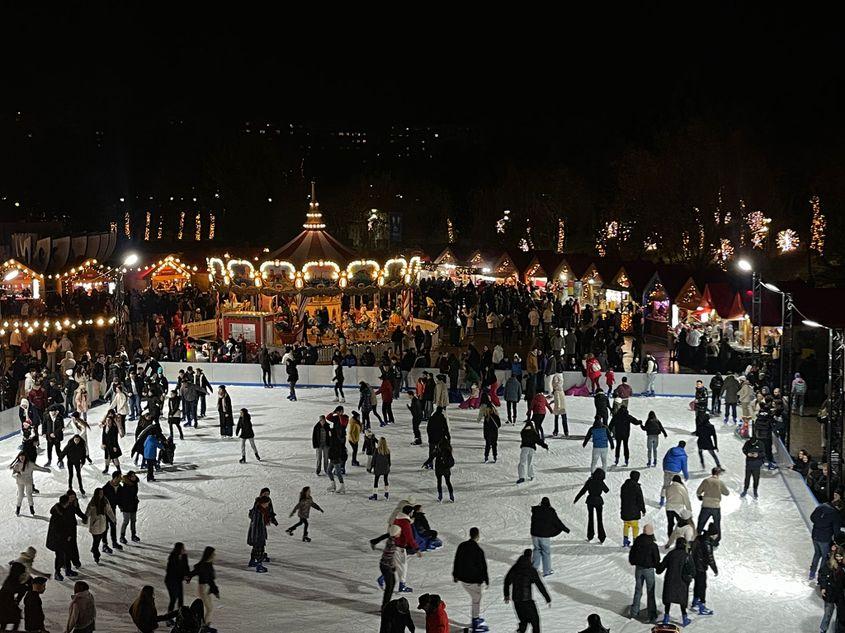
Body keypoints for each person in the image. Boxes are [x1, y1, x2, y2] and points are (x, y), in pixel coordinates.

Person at [503, 549, 551, 633]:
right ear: (530, 557)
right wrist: (547, 598)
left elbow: (507, 581)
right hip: (527, 601)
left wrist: (506, 595)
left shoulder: (515, 568)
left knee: (523, 622)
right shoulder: (531, 570)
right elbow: (539, 585)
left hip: (517, 601)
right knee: (535, 622)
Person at [452, 526, 489, 632]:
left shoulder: (462, 546)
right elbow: (483, 567)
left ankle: (475, 618)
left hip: (463, 579)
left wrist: (455, 575)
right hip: (473, 580)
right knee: (477, 599)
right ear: (477, 536)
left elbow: (457, 560)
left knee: (475, 598)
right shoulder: (478, 550)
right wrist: (485, 580)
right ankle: (475, 621)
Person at [656, 538, 696, 627]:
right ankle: (685, 619)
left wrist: (657, 567)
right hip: (682, 582)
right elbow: (693, 571)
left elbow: (661, 567)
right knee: (682, 600)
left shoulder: (671, 554)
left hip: (670, 581)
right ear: (685, 545)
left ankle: (666, 618)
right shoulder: (687, 556)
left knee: (668, 599)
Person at [530, 497, 570, 576]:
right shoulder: (550, 511)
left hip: (534, 534)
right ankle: (547, 571)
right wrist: (566, 529)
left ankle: (533, 569)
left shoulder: (536, 510)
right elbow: (557, 522)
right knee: (545, 552)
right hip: (544, 535)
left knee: (537, 550)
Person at [628, 523, 660, 622]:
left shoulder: (637, 540)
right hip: (649, 570)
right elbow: (657, 559)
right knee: (650, 591)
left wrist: (633, 562)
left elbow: (632, 553)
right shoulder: (652, 544)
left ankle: (634, 611)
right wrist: (656, 566)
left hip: (638, 569)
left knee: (638, 590)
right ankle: (652, 614)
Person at [810, 496, 842, 581]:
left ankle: (812, 573)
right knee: (825, 556)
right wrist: (837, 538)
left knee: (817, 553)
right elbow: (836, 530)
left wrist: (819, 524)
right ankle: (820, 576)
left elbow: (812, 517)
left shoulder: (821, 506)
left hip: (815, 535)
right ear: (838, 507)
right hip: (824, 538)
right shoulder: (835, 514)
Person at [47, 495, 78, 581]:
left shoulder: (64, 510)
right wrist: (66, 537)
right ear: (66, 502)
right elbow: (57, 529)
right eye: (69, 501)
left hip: (65, 538)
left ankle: (68, 570)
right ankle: (57, 572)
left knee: (67, 554)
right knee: (60, 556)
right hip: (58, 540)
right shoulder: (57, 514)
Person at [574, 468, 609, 543]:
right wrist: (602, 483)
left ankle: (590, 536)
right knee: (599, 519)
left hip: (590, 501)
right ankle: (601, 537)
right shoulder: (601, 482)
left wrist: (576, 498)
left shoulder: (590, 481)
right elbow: (607, 490)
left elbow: (582, 491)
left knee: (590, 518)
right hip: (599, 501)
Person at [690, 525, 719, 616]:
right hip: (700, 567)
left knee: (697, 584)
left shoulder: (700, 538)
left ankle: (695, 602)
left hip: (694, 565)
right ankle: (702, 606)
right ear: (713, 534)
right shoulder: (707, 543)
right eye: (716, 534)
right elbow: (710, 558)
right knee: (702, 586)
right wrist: (715, 570)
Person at [11, 450, 50, 516]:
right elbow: (13, 474)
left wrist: (46, 470)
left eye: (23, 456)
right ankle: (18, 509)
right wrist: (16, 475)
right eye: (21, 457)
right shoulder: (17, 465)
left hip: (28, 481)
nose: (22, 458)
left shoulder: (30, 464)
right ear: (19, 457)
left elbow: (39, 468)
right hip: (20, 481)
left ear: (25, 457)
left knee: (29, 495)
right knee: (20, 495)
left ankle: (31, 508)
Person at [189, 547, 219, 633]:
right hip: (203, 588)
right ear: (209, 555)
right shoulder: (203, 565)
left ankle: (206, 625)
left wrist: (215, 590)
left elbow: (211, 580)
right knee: (209, 609)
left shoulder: (209, 564)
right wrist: (188, 576)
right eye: (213, 554)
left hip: (206, 589)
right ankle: (204, 627)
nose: (214, 555)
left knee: (210, 608)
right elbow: (194, 572)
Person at [695, 467, 729, 536]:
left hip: (706, 505)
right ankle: (716, 540)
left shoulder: (706, 481)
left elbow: (698, 492)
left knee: (701, 524)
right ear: (718, 474)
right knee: (717, 525)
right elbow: (726, 493)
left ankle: (696, 539)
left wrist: (700, 497)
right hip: (716, 506)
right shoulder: (720, 482)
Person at [85, 487, 116, 563]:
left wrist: (113, 519)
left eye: (102, 493)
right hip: (95, 525)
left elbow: (109, 511)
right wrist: (85, 519)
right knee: (96, 541)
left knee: (97, 541)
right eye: (99, 493)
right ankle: (96, 555)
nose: (101, 495)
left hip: (102, 524)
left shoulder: (105, 501)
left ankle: (94, 549)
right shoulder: (93, 502)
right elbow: (88, 511)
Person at [620, 470, 646, 547]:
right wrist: (643, 509)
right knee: (635, 526)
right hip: (634, 512)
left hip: (625, 510)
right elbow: (640, 499)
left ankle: (625, 540)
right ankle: (635, 541)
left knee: (626, 525)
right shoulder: (637, 487)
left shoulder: (624, 486)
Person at [247, 495, 272, 573]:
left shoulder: (259, 510)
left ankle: (252, 561)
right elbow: (254, 525)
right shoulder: (258, 512)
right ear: (263, 503)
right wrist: (255, 537)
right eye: (267, 503)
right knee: (260, 549)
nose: (268, 505)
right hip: (257, 535)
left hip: (257, 534)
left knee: (255, 549)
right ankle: (259, 565)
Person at [660, 441, 688, 507]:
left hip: (667, 470)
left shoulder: (670, 450)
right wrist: (686, 475)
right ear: (684, 446)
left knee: (666, 485)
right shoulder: (683, 455)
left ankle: (662, 500)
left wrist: (664, 468)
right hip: (675, 472)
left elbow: (664, 459)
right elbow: (684, 466)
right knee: (679, 486)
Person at [165, 542, 190, 615]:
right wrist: (183, 576)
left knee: (181, 599)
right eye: (183, 548)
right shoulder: (172, 557)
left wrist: (187, 576)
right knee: (173, 599)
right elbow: (170, 570)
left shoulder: (184, 556)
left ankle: (181, 616)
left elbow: (186, 568)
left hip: (178, 580)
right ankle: (169, 617)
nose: (184, 549)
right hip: (171, 581)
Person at [664, 475, 692, 540]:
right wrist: (689, 510)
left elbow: (667, 496)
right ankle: (681, 538)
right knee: (682, 524)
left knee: (670, 524)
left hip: (669, 508)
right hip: (678, 509)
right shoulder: (681, 488)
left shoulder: (669, 487)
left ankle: (670, 538)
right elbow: (686, 500)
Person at [117, 471, 141, 543]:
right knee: (126, 521)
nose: (134, 477)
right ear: (129, 477)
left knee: (133, 521)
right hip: (126, 507)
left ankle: (133, 535)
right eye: (133, 476)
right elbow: (121, 498)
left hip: (133, 505)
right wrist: (121, 506)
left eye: (134, 476)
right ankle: (122, 536)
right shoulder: (125, 486)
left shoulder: (135, 484)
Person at [741, 434, 766, 499]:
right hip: (749, 464)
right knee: (747, 478)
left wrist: (757, 455)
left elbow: (763, 453)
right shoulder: (747, 443)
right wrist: (747, 454)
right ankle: (745, 490)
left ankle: (755, 491)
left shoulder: (761, 444)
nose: (752, 444)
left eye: (753, 443)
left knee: (756, 478)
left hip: (756, 465)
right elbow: (744, 449)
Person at [433, 438, 455, 503]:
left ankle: (440, 496)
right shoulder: (449, 451)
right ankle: (451, 496)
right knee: (448, 482)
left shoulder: (438, 450)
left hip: (438, 469)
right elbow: (452, 462)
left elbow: (432, 456)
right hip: (446, 470)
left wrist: (427, 462)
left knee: (439, 482)